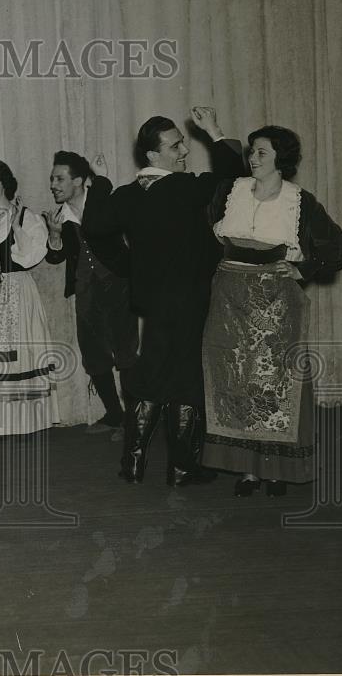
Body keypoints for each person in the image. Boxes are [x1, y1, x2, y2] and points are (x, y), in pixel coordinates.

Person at [81, 107, 245, 486]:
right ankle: (184, 467)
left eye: (183, 142)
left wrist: (129, 265)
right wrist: (215, 130)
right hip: (189, 298)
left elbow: (94, 227)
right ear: (153, 155)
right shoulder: (184, 188)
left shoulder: (127, 195)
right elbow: (232, 173)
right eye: (175, 146)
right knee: (187, 379)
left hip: (154, 302)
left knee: (154, 373)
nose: (184, 150)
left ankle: (134, 462)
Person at [201, 126, 342, 496]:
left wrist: (303, 269)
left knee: (275, 384)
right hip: (230, 299)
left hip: (275, 302)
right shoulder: (229, 192)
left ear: (281, 158)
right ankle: (247, 471)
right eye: (252, 152)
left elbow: (334, 244)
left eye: (262, 153)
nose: (253, 158)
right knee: (235, 380)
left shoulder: (299, 201)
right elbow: (210, 234)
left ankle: (276, 470)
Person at [43, 151, 137, 432]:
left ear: (79, 181)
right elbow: (56, 258)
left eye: (60, 179)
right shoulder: (60, 216)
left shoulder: (101, 202)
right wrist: (55, 235)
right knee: (94, 355)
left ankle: (134, 420)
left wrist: (100, 178)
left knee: (126, 352)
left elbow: (105, 208)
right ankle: (114, 415)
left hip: (118, 285)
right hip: (86, 291)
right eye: (52, 179)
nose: (53, 185)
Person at [0, 159, 59, 436]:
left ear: (4, 183)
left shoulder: (25, 218)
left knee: (20, 352)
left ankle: (22, 421)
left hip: (17, 292)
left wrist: (16, 225)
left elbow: (31, 255)